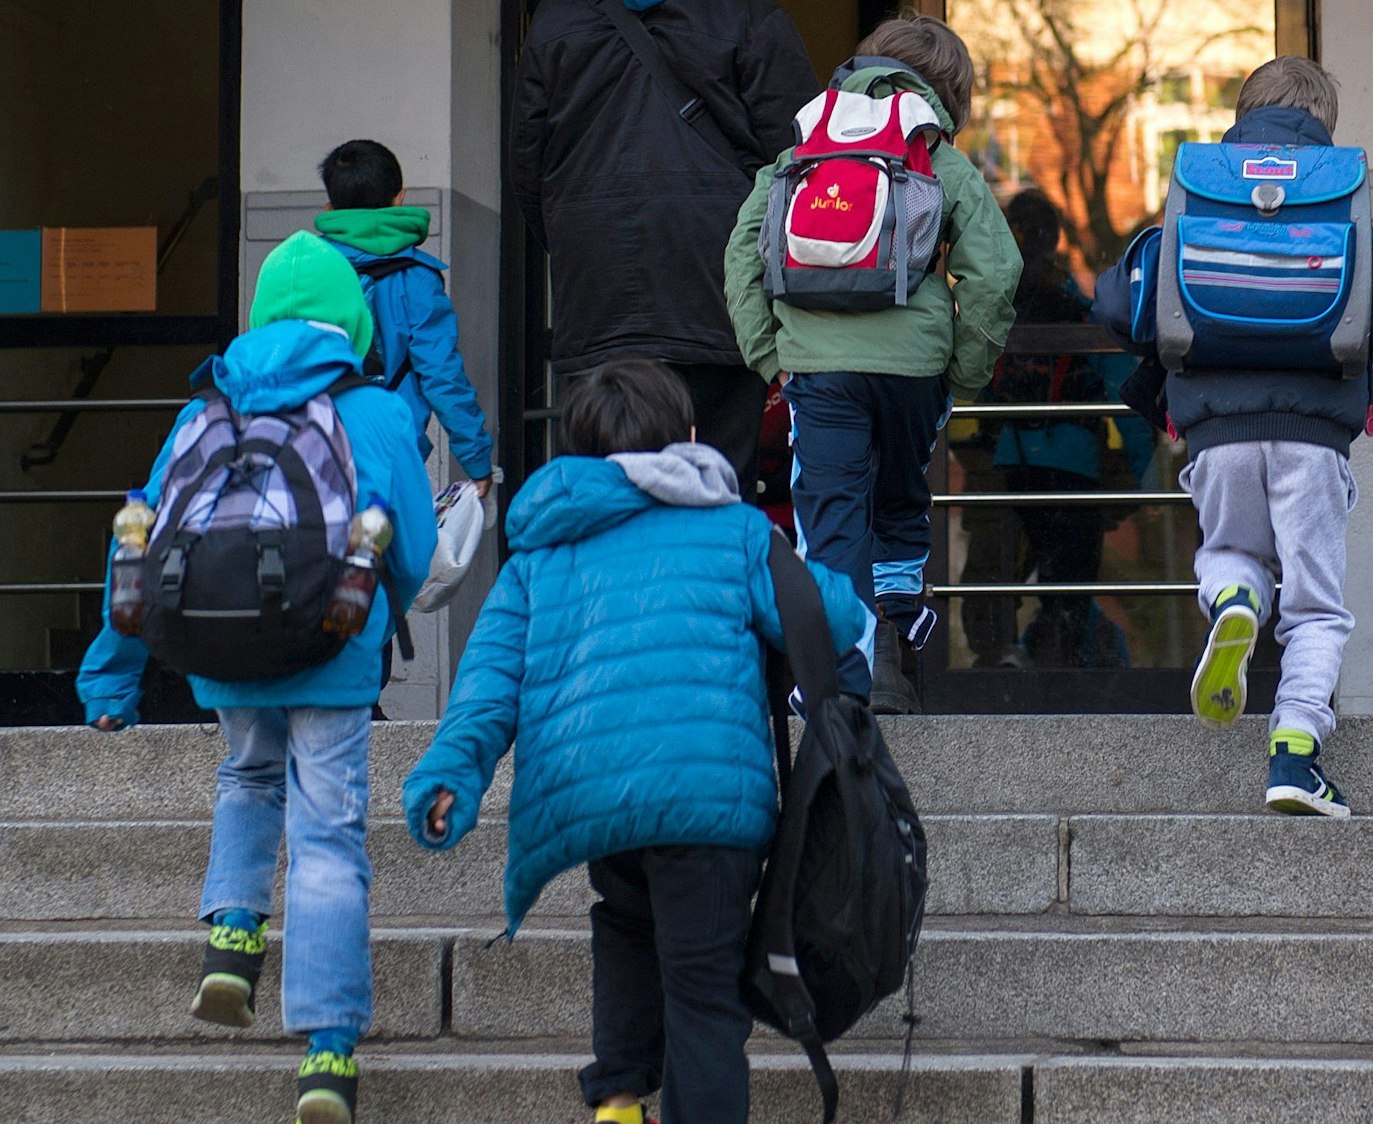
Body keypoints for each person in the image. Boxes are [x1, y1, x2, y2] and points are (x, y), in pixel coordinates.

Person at [399, 360, 867, 1124]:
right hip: (708, 803)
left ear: (579, 450)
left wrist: (453, 771)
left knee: (623, 922)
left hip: (593, 796)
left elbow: (488, 680)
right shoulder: (736, 531)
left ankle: (617, 1098)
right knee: (704, 998)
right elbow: (833, 619)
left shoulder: (542, 551)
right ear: (687, 435)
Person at [75, 231, 436, 1124]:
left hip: (222, 652)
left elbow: (141, 544)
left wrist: (111, 683)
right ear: (349, 318)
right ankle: (326, 1053)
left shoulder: (205, 407)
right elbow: (416, 557)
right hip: (333, 648)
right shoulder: (376, 409)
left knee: (244, 777)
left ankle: (234, 940)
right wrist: (367, 603)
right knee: (328, 837)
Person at [1164, 57, 1373, 816]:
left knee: (1231, 551)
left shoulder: (1194, 201)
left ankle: (1233, 598)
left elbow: (1117, 302)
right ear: (1324, 124)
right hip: (1312, 438)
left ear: (1241, 116)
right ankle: (1293, 756)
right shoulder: (1339, 208)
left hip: (1214, 436)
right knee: (1318, 609)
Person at [724, 13, 1022, 713]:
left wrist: (772, 358)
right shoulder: (934, 158)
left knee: (830, 515)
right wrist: (961, 371)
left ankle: (842, 681)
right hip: (913, 370)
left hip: (818, 372)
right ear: (949, 91)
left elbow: (741, 253)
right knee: (896, 500)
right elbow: (997, 270)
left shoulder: (799, 155)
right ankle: (891, 628)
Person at [510, 0, 819, 497]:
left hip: (597, 296)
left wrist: (575, 248)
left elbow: (527, 169)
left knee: (602, 486)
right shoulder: (746, 15)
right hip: (718, 291)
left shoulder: (556, 20)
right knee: (717, 484)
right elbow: (803, 154)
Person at [963, 189, 1152, 668]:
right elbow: (1123, 387)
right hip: (1072, 468)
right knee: (1066, 591)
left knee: (993, 587)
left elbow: (976, 384)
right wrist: (1138, 474)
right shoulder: (1075, 306)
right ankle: (1065, 680)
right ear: (1055, 238)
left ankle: (993, 675)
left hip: (1007, 466)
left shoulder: (997, 304)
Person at [314, 139, 496, 498]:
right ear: (400, 198)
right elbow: (442, 376)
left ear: (330, 206)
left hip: (312, 447)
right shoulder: (416, 278)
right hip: (390, 452)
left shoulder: (306, 268)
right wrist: (476, 461)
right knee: (386, 550)